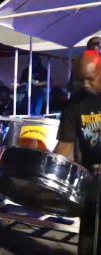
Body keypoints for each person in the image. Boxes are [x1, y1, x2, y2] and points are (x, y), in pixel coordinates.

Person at [54, 50, 101, 255]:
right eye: (81, 80)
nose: (86, 85)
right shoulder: (76, 103)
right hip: (92, 178)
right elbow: (65, 146)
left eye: (90, 79)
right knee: (88, 240)